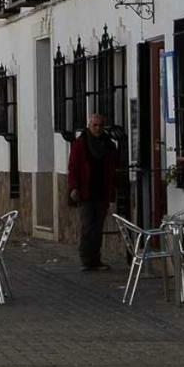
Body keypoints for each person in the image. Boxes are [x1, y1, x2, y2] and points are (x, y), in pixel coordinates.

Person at [68, 113, 118, 271]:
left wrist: (112, 189)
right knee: (87, 226)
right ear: (89, 126)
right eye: (95, 125)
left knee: (98, 228)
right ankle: (86, 259)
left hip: (102, 191)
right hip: (86, 192)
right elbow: (73, 166)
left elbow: (112, 168)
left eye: (100, 125)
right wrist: (74, 187)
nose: (98, 128)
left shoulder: (108, 145)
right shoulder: (80, 144)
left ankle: (95, 259)